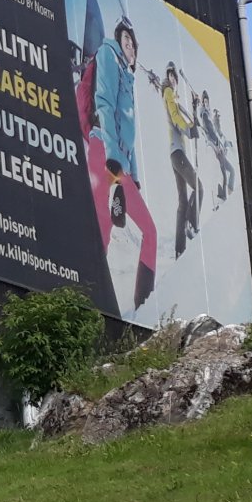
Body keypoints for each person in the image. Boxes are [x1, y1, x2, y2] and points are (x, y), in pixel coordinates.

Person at [78, 15, 158, 308]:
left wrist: (133, 175)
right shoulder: (108, 56)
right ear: (117, 40)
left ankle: (136, 305)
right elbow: (104, 103)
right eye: (126, 40)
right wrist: (112, 158)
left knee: (128, 229)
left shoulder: (128, 74)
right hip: (104, 151)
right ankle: (93, 300)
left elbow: (130, 137)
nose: (130, 46)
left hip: (115, 158)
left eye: (133, 43)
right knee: (109, 227)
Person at [161, 65, 201, 257]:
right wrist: (188, 130)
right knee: (199, 187)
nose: (172, 78)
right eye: (170, 75)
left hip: (175, 154)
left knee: (183, 201)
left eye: (174, 75)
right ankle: (191, 223)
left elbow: (189, 122)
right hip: (177, 153)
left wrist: (194, 110)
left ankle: (179, 249)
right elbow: (176, 117)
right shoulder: (168, 93)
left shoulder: (174, 97)